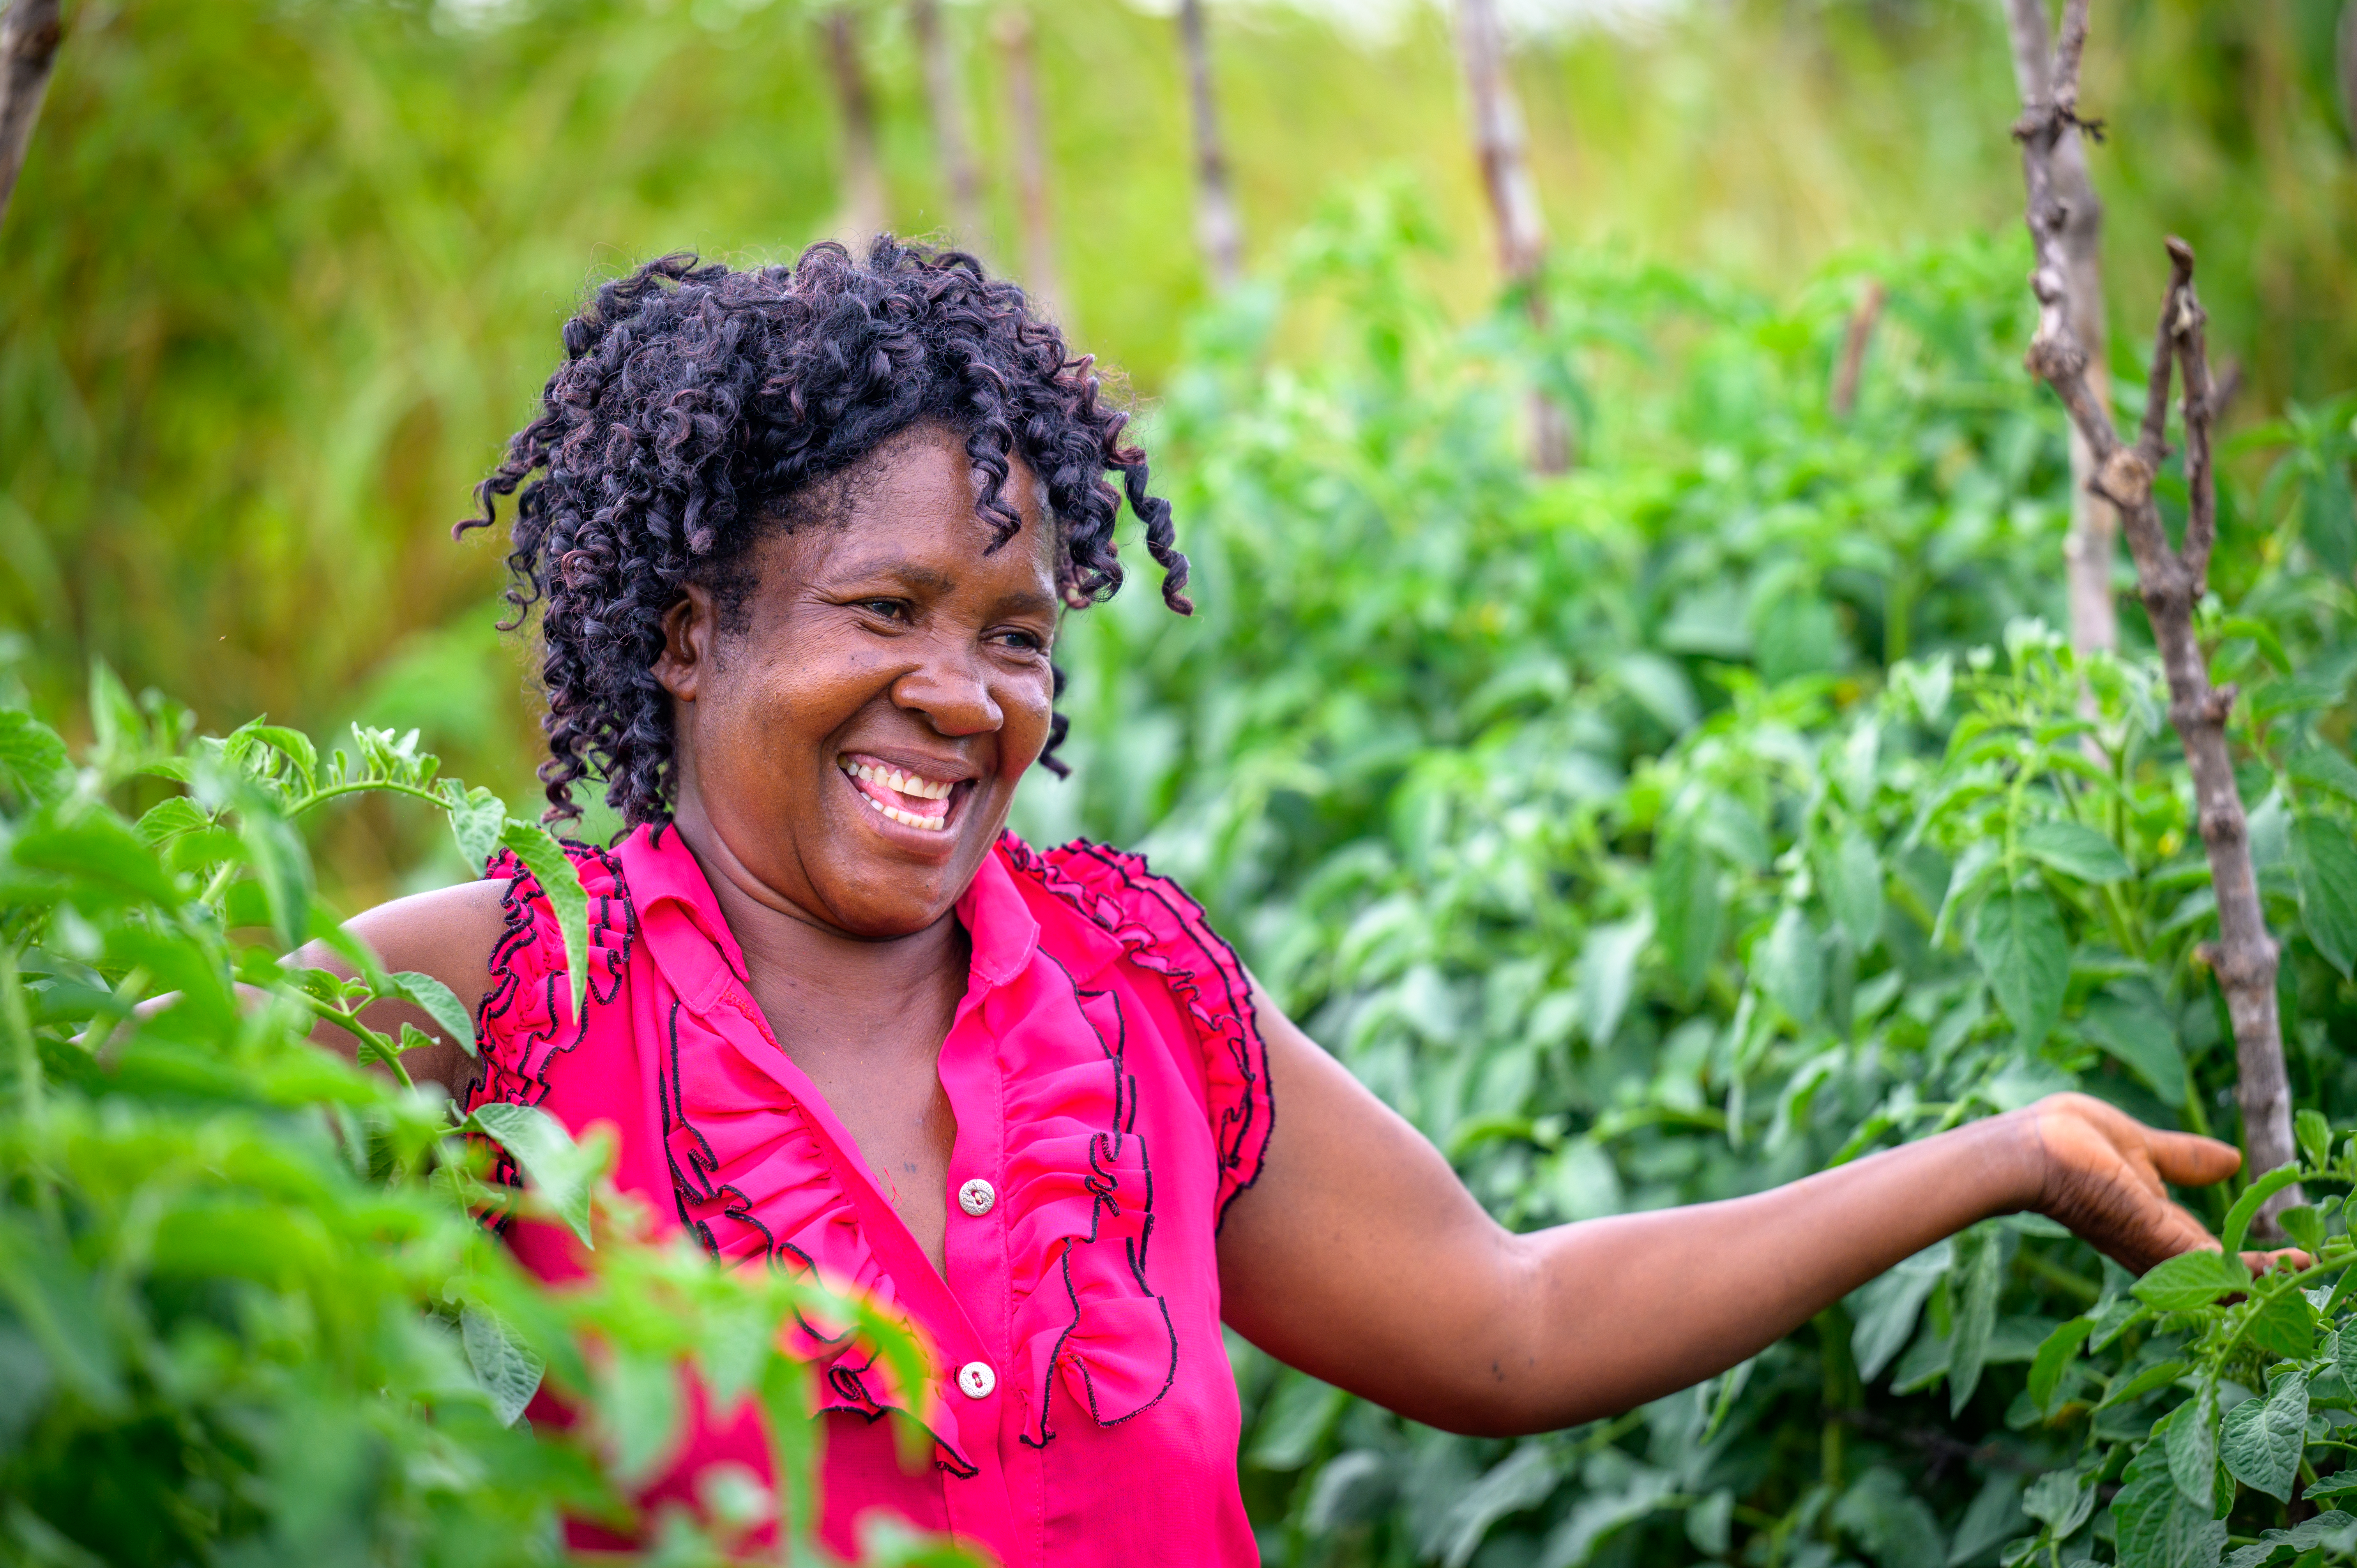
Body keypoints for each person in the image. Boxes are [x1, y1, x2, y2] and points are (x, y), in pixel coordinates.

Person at [336, 239, 2252, 1565]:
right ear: (688, 633)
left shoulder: (1131, 1003)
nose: (966, 693)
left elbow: (1504, 1319)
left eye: (1016, 635)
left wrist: (2003, 1157)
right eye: (888, 610)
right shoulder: (487, 999)